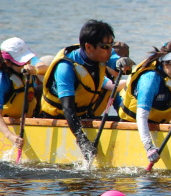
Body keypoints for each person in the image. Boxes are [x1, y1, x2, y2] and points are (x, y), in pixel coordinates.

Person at [39, 20, 131, 160]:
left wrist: (121, 62)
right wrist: (82, 141)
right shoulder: (66, 68)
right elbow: (68, 109)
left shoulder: (103, 53)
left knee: (112, 90)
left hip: (85, 114)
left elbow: (114, 59)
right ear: (89, 47)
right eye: (105, 46)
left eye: (111, 45)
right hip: (60, 117)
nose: (110, 50)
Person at [119, 42, 171, 164]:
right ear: (168, 63)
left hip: (158, 122)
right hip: (135, 124)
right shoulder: (149, 79)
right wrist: (148, 146)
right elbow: (141, 116)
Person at [0, 38, 45, 150]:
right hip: (8, 121)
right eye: (22, 63)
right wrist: (10, 136)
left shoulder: (28, 61)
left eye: (28, 61)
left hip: (28, 114)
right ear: (7, 62)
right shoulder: (2, 80)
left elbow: (46, 68)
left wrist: (35, 70)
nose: (27, 64)